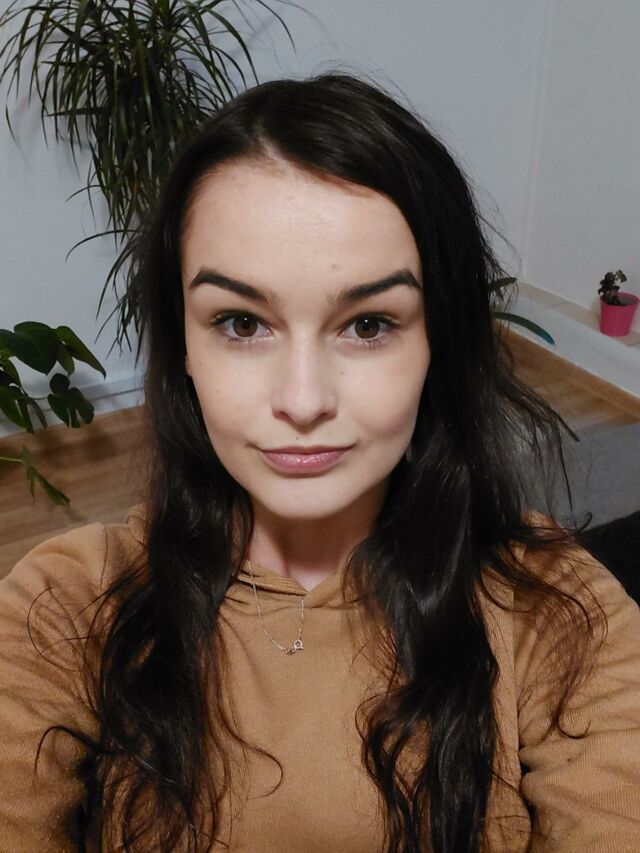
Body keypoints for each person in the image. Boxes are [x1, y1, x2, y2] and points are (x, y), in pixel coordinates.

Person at [0, 72, 639, 853]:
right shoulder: (63, 604)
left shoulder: (557, 609)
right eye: (241, 323)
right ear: (184, 346)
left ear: (437, 341)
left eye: (368, 324)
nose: (302, 400)